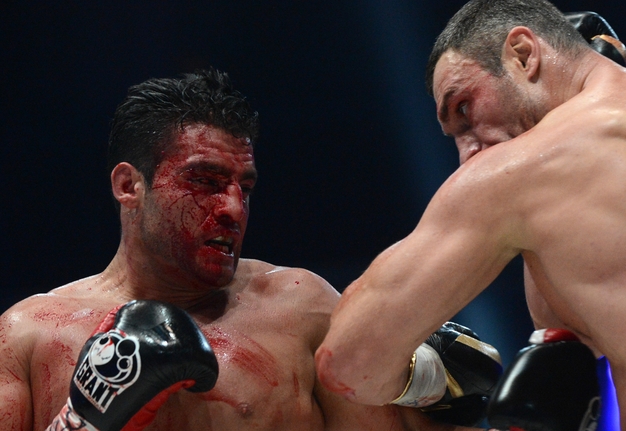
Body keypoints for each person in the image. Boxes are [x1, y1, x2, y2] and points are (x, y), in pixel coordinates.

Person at [316, 0, 626, 431]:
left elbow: (350, 363)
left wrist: (440, 378)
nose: (468, 153)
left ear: (524, 53)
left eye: (464, 108)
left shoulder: (518, 171)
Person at [0, 69, 496, 431]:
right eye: (205, 182)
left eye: (245, 187)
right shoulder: (28, 336)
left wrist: (439, 390)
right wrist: (81, 422)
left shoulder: (299, 309)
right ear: (130, 185)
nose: (233, 209)